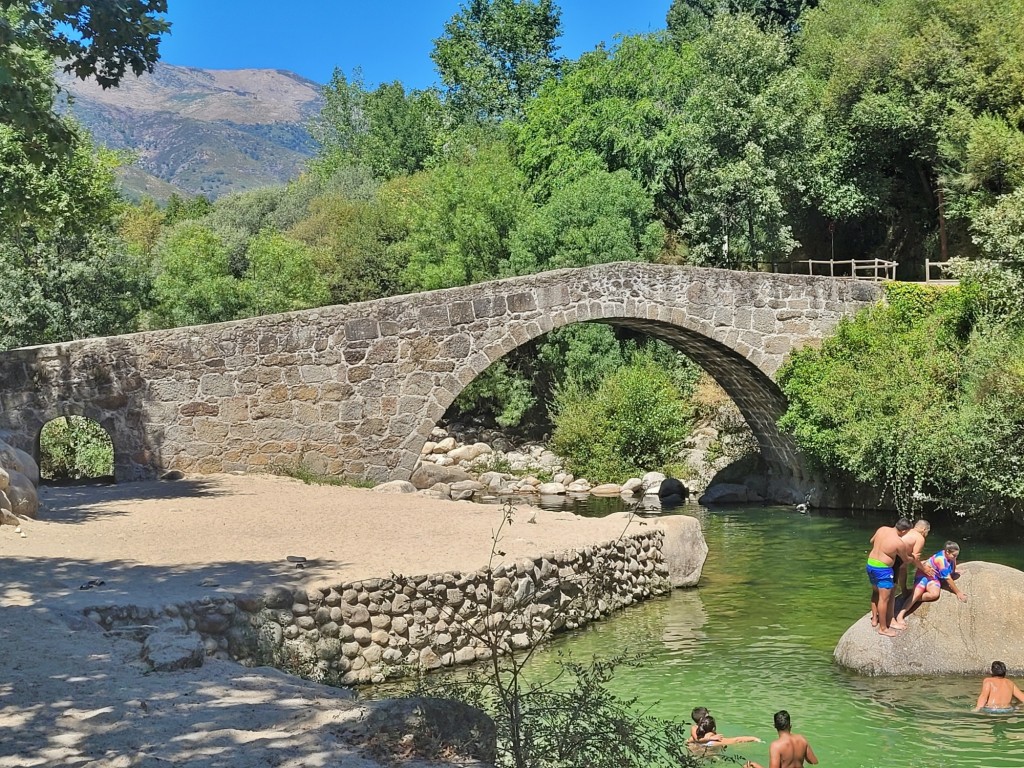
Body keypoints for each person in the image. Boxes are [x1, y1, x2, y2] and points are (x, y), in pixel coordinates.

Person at [866, 518, 934, 637]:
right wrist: (921, 565)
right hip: (885, 567)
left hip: (871, 563)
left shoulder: (882, 529)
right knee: (887, 596)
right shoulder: (907, 540)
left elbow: (872, 541)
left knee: (875, 591)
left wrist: (882, 547)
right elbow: (908, 559)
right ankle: (887, 623)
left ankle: (874, 619)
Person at [892, 540, 966, 629]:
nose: (955, 558)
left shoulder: (950, 557)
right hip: (923, 575)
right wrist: (958, 592)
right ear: (947, 552)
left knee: (934, 594)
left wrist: (954, 571)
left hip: (933, 577)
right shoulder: (940, 559)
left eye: (956, 556)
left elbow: (951, 566)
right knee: (918, 592)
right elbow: (948, 578)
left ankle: (913, 597)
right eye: (954, 555)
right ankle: (901, 614)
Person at [744, 710, 818, 768]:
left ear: (775, 726)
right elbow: (814, 762)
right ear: (790, 725)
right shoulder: (802, 739)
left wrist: (756, 766)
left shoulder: (776, 746)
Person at [898, 519, 930, 596]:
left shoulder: (906, 531)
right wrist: (925, 569)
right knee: (903, 566)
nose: (926, 534)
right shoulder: (919, 538)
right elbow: (915, 558)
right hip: (896, 558)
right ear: (924, 529)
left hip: (888, 556)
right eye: (927, 532)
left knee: (903, 566)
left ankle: (904, 590)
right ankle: (904, 591)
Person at [689, 715, 762, 748]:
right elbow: (737, 740)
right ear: (713, 728)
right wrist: (754, 738)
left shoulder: (693, 739)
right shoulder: (716, 741)